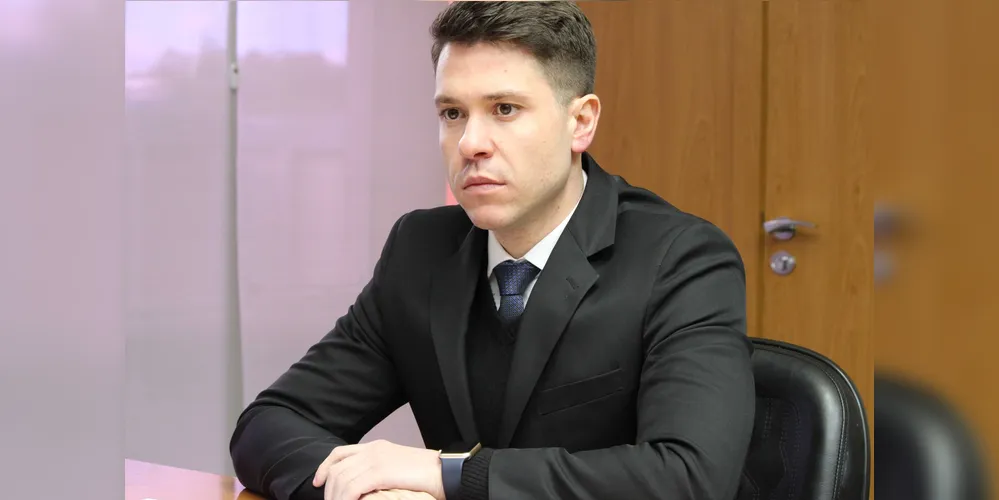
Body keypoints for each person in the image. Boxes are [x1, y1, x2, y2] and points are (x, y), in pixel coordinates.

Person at [229, 2, 755, 500]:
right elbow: (269, 425)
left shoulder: (681, 260)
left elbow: (690, 476)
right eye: (452, 113)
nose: (469, 143)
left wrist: (449, 475)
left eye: (504, 109)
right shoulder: (420, 251)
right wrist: (369, 490)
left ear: (581, 122)